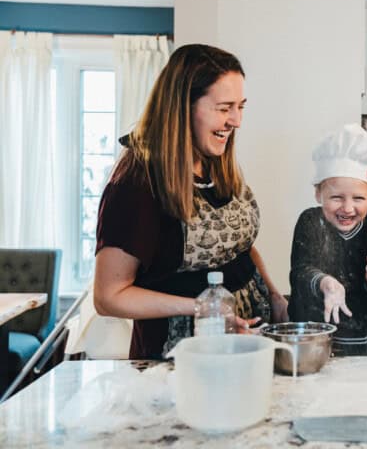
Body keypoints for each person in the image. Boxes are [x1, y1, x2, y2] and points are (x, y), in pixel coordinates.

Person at [93, 44, 288, 359]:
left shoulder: (213, 161)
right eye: (224, 108)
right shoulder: (137, 185)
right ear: (183, 106)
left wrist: (275, 295)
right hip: (179, 357)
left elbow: (239, 247)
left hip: (244, 341)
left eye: (241, 106)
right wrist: (204, 309)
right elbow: (108, 297)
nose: (236, 120)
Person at [288, 124, 367, 356]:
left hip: (355, 343)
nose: (348, 208)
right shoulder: (310, 222)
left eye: (358, 198)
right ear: (318, 194)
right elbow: (300, 272)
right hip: (309, 341)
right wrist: (326, 283)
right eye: (337, 197)